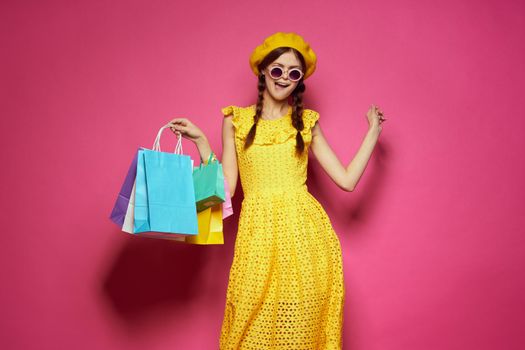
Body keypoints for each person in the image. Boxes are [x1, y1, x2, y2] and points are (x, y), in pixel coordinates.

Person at [168, 32, 386, 350]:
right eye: (278, 69)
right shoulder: (236, 122)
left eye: (293, 73)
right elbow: (225, 188)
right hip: (257, 240)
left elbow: (347, 181)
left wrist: (372, 133)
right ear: (263, 71)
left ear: (299, 82)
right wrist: (202, 141)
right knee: (247, 331)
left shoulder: (306, 123)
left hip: (306, 241)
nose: (284, 77)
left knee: (300, 335)